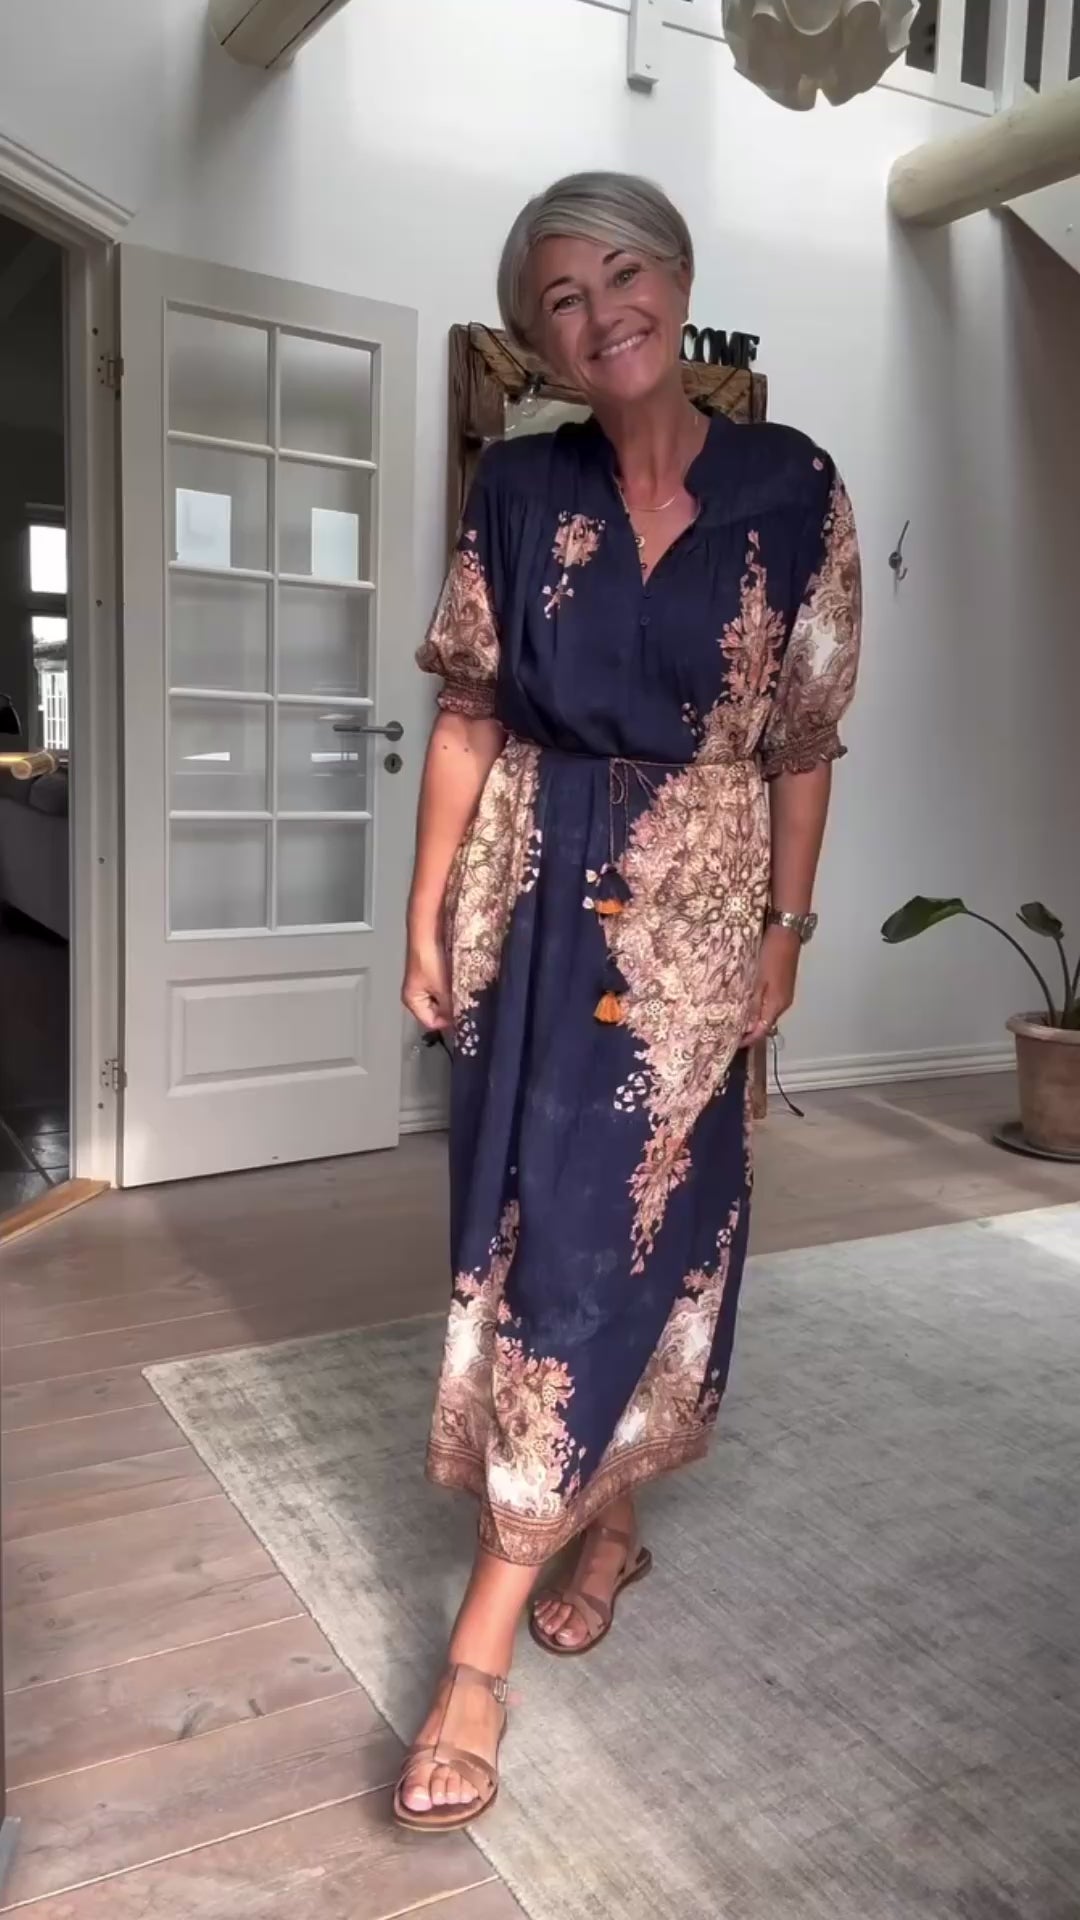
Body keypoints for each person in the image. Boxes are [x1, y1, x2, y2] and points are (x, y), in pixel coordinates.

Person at [396, 171, 861, 1831]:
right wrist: (427, 907)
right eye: (561, 300)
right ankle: (606, 1523)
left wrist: (787, 928)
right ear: (537, 341)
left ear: (677, 275)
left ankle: (477, 1656)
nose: (602, 316)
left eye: (622, 275)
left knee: (634, 1231)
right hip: (530, 895)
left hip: (702, 916)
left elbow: (803, 738)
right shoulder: (520, 487)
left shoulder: (795, 487)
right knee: (535, 1223)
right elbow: (469, 709)